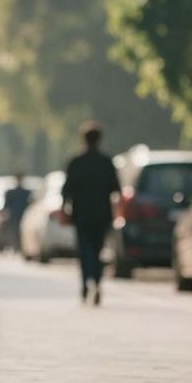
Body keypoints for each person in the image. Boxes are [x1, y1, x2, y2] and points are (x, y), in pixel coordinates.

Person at [60, 122, 121, 305]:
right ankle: (97, 280)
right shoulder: (106, 162)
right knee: (98, 250)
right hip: (102, 214)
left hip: (82, 214)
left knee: (85, 250)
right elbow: (116, 189)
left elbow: (66, 190)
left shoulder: (76, 162)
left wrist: (64, 210)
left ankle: (87, 282)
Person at [2, 172, 33, 251]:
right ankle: (16, 246)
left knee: (21, 231)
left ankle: (19, 246)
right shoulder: (12, 192)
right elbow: (7, 205)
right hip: (15, 215)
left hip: (22, 215)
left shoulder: (26, 192)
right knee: (14, 231)